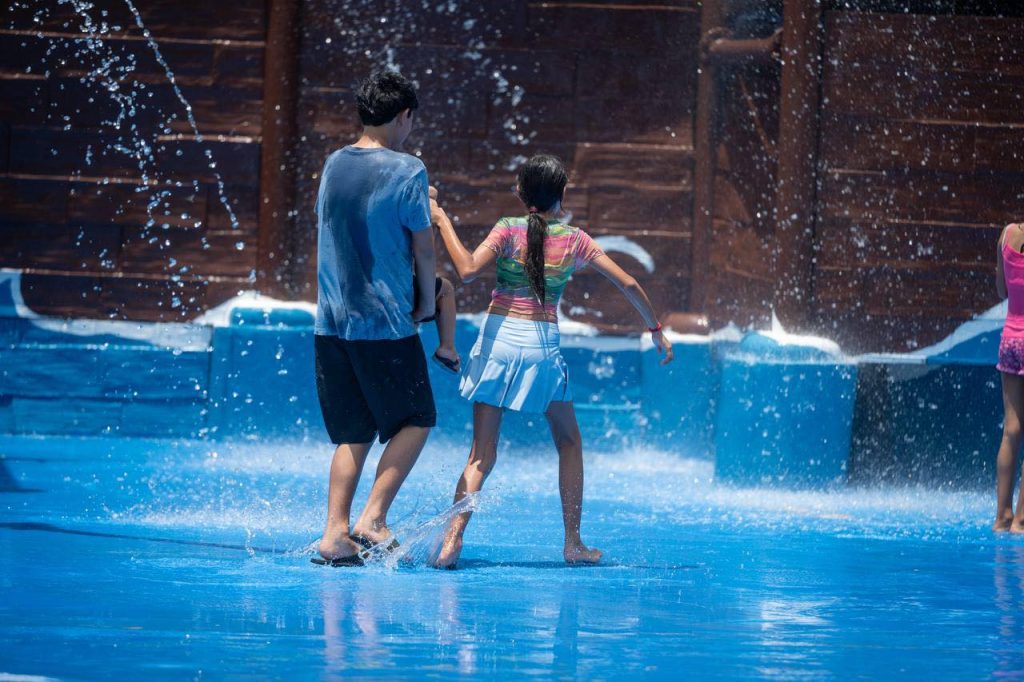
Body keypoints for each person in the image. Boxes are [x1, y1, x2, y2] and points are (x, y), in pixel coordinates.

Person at [428, 154, 674, 568]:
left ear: (521, 194)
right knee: (569, 441)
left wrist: (441, 220)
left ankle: (453, 539)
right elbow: (628, 282)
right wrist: (655, 329)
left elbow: (466, 269)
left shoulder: (507, 229)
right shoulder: (576, 239)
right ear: (562, 194)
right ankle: (573, 542)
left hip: (497, 343)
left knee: (480, 455)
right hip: (541, 349)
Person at [311, 70, 437, 566]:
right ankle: (374, 519)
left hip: (331, 322)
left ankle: (334, 535)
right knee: (418, 418)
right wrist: (427, 302)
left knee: (353, 431)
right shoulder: (408, 171)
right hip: (383, 321)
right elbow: (423, 248)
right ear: (404, 115)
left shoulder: (333, 163)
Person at [993, 222, 1024, 532]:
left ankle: (1002, 516)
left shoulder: (1007, 234)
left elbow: (1002, 290)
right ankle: (1022, 520)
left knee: (1011, 429)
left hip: (1011, 339)